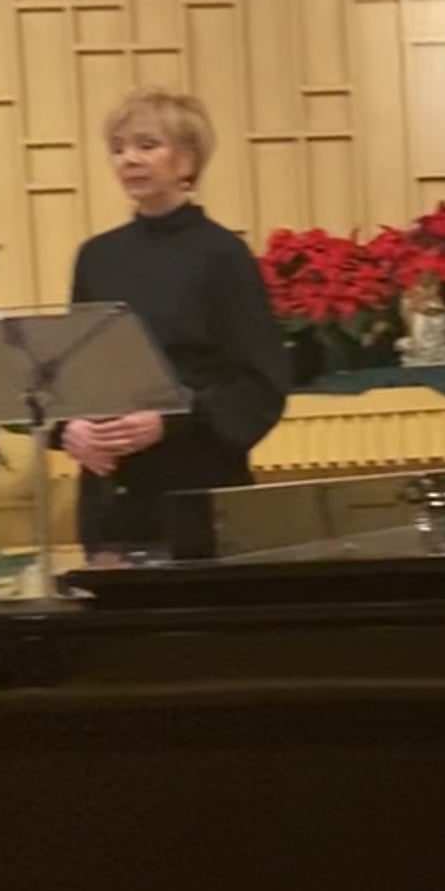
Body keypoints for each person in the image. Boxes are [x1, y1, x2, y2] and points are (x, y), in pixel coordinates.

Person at [59, 89, 290, 559]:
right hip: (111, 494)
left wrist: (171, 422)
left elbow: (260, 384)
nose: (129, 159)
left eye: (146, 145)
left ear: (187, 159)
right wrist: (71, 429)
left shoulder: (224, 255)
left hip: (196, 486)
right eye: (118, 148)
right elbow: (73, 373)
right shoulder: (96, 257)